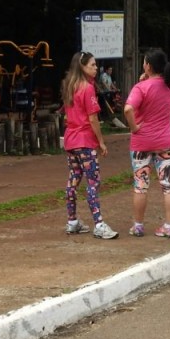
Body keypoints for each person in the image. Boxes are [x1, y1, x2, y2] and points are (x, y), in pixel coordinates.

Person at [61, 51, 119, 239]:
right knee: (93, 182)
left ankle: (72, 221)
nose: (96, 68)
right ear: (83, 67)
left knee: (73, 180)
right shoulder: (87, 88)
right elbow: (93, 118)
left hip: (71, 140)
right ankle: (99, 224)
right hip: (84, 140)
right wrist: (101, 142)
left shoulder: (69, 86)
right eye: (92, 65)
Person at [124, 49, 170, 238]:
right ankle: (169, 226)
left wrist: (134, 127)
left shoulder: (141, 88)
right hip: (165, 141)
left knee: (141, 185)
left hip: (141, 142)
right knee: (168, 184)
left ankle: (138, 226)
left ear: (147, 65)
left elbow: (128, 109)